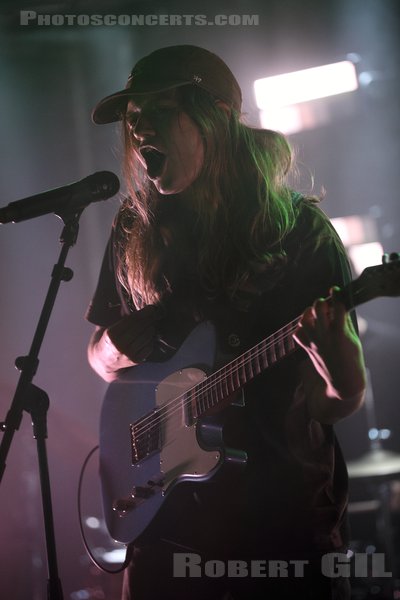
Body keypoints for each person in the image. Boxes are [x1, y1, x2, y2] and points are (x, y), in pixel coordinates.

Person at [86, 45, 367, 599]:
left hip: (278, 527)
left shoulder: (300, 234)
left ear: (213, 117)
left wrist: (341, 372)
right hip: (165, 526)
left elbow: (332, 404)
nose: (141, 131)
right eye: (134, 119)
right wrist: (114, 348)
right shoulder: (135, 228)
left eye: (160, 113)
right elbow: (99, 359)